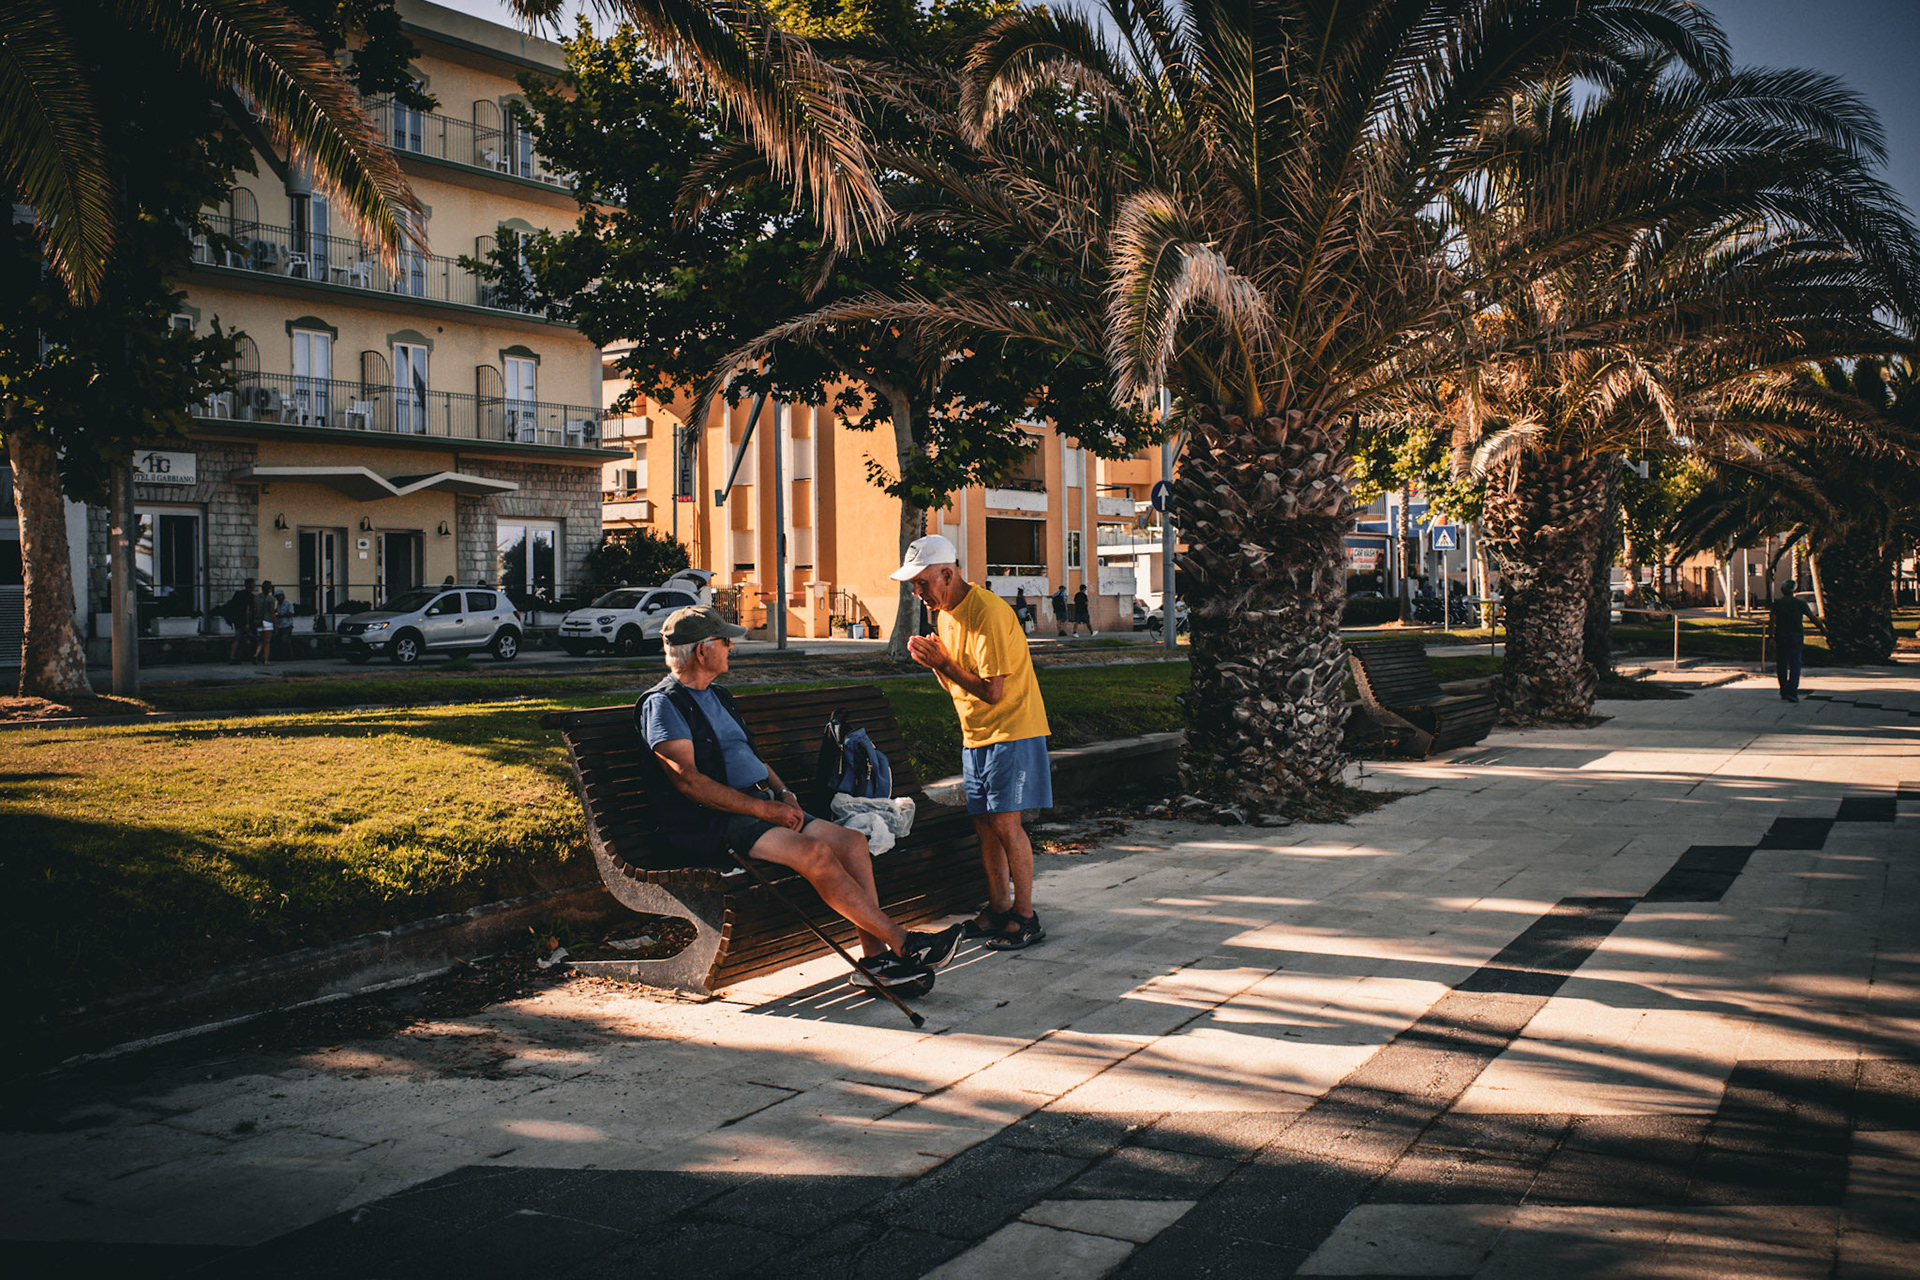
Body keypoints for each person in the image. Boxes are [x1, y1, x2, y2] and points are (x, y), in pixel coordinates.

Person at [638, 604, 963, 989]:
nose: (731, 648)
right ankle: (905, 942)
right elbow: (689, 782)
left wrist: (784, 793)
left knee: (852, 842)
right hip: (715, 821)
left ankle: (876, 963)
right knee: (816, 853)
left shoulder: (719, 696)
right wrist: (765, 809)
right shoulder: (663, 704)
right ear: (701, 650)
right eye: (724, 641)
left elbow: (749, 756)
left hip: (760, 807)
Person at [894, 534, 1051, 950]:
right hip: (976, 734)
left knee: (1005, 823)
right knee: (983, 824)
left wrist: (943, 661)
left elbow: (993, 691)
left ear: (948, 574)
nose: (918, 592)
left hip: (1012, 729)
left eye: (923, 583)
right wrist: (935, 665)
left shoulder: (988, 614)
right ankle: (999, 907)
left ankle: (1026, 914)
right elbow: (955, 688)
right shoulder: (945, 614)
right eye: (914, 584)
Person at [1769, 580, 1825, 702]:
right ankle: (1792, 690)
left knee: (1782, 663)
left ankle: (1784, 689)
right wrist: (1822, 628)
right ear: (1794, 590)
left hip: (1781, 635)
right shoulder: (1800, 603)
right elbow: (1812, 617)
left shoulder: (1777, 604)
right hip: (1796, 635)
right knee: (1795, 664)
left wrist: (1771, 637)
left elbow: (1772, 621)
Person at [224, 578, 256, 663]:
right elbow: (248, 611)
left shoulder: (238, 594)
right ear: (251, 585)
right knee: (249, 638)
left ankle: (233, 656)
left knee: (238, 638)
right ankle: (241, 656)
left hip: (237, 620)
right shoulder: (251, 596)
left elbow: (233, 606)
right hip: (245, 621)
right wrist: (247, 622)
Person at [253, 580, 277, 665]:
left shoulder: (257, 598)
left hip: (258, 620)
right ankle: (266, 659)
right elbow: (272, 611)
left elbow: (255, 609)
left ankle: (256, 654)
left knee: (260, 640)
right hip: (267, 620)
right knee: (267, 642)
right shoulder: (271, 599)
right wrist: (275, 623)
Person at [273, 590, 295, 660]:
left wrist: (281, 615)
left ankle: (289, 655)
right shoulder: (279, 604)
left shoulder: (288, 603)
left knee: (284, 640)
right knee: (281, 641)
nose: (278, 599)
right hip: (281, 625)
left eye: (278, 597)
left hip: (287, 624)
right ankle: (285, 655)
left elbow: (291, 613)